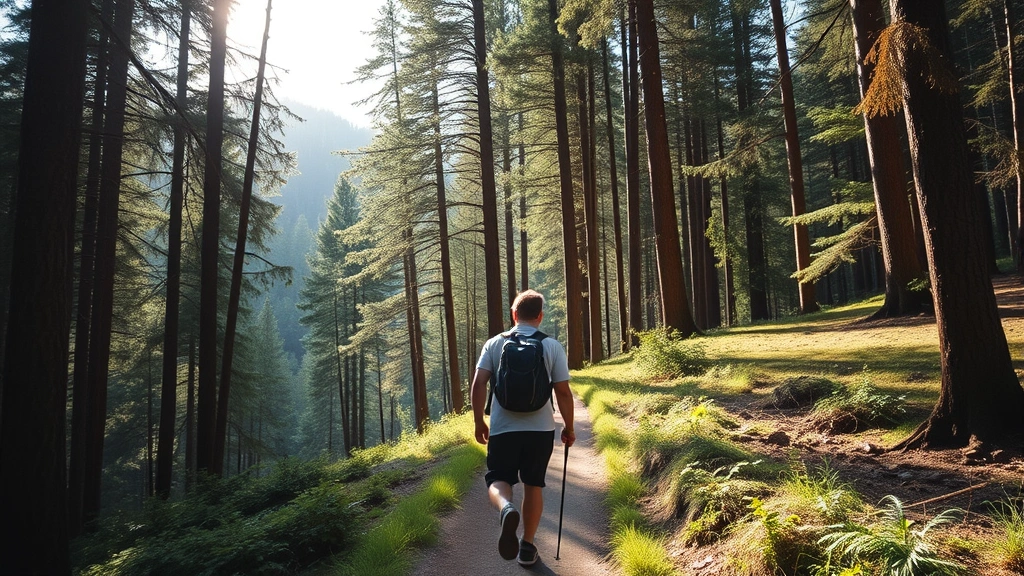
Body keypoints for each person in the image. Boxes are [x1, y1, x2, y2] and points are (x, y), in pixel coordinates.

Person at [470, 289, 576, 566]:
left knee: (497, 479)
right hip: (540, 430)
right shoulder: (551, 346)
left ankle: (506, 507)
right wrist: (569, 427)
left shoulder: (494, 344)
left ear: (514, 315)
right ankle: (527, 547)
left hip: (503, 429)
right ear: (540, 316)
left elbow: (479, 383)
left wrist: (479, 421)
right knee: (533, 485)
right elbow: (563, 392)